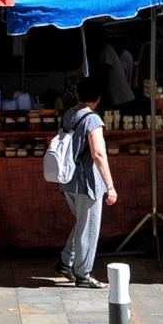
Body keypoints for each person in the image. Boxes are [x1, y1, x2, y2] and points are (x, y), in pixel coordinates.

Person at [55, 83, 116, 289]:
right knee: (89, 228)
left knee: (82, 223)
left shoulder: (69, 114)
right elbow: (98, 153)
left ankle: (66, 261)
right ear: (98, 99)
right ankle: (84, 274)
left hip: (68, 180)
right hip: (87, 181)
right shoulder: (93, 119)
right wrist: (110, 185)